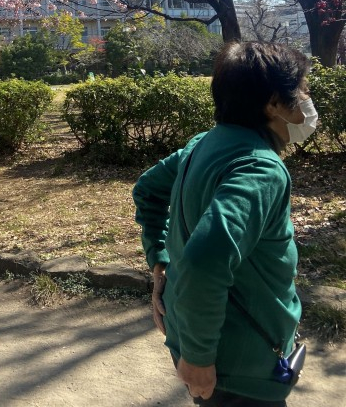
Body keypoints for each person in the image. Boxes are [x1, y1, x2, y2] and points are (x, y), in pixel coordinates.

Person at [132, 42, 317, 406]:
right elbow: (204, 261)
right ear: (273, 103)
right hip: (238, 368)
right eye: (300, 90)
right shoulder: (259, 168)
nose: (307, 99)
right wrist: (198, 358)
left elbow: (148, 189)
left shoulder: (204, 143)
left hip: (197, 337)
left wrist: (159, 260)